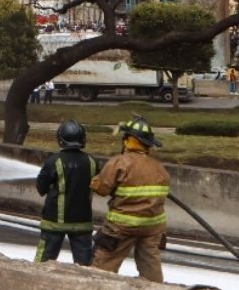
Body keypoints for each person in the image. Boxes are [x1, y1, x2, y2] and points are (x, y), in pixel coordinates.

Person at [91, 115, 171, 283]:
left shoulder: (120, 163)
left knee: (102, 267)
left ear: (127, 140)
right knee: (151, 269)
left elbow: (101, 189)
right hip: (152, 228)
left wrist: (93, 179)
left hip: (122, 227)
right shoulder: (159, 168)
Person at [35, 120, 97, 266]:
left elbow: (41, 189)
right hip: (83, 223)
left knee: (41, 264)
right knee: (85, 268)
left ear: (61, 139)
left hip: (54, 223)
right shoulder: (92, 162)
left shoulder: (53, 162)